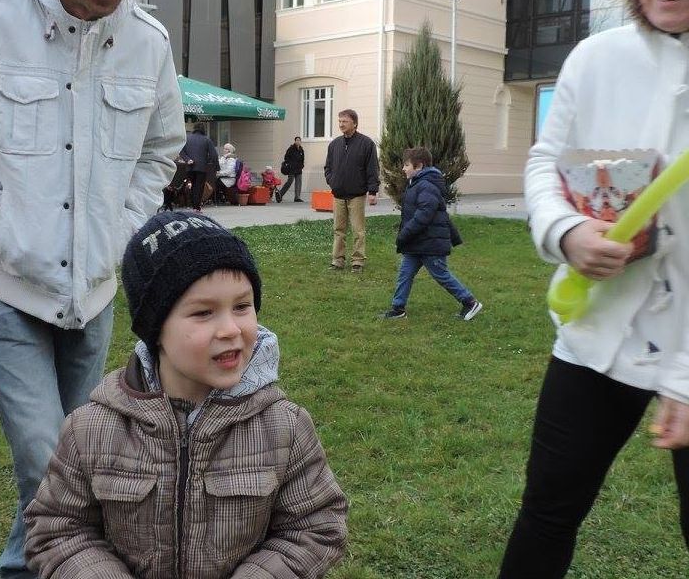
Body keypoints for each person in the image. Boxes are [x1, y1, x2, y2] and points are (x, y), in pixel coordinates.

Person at [0, 0, 185, 576]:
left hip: (94, 290)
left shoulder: (149, 40)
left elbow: (160, 148)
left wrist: (124, 227)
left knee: (68, 457)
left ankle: (20, 567)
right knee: (50, 462)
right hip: (5, 284)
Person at [24, 211, 349, 578]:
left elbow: (315, 526)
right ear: (156, 329)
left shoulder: (284, 427)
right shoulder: (91, 429)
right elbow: (58, 529)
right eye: (204, 312)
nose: (230, 329)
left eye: (242, 306)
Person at [498, 0, 689, 577]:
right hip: (597, 334)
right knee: (547, 514)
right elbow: (546, 160)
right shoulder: (597, 57)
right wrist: (566, 230)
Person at [381, 147, 482, 321]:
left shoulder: (426, 186)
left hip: (430, 243)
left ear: (419, 166)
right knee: (405, 274)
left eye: (406, 165)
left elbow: (424, 215)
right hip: (416, 243)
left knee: (441, 275)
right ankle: (398, 308)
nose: (403, 169)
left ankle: (470, 302)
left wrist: (404, 234)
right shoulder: (417, 184)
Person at [324, 109, 379, 272]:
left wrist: (373, 191)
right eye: (340, 121)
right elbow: (328, 167)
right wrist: (332, 181)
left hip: (357, 195)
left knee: (358, 230)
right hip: (338, 194)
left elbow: (372, 168)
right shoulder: (334, 144)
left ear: (354, 123)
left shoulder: (366, 144)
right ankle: (337, 260)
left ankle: (358, 261)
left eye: (345, 121)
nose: (341, 124)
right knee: (338, 230)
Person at [180, 123, 218, 211]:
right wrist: (216, 166)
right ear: (203, 129)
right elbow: (214, 155)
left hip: (190, 167)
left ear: (194, 128)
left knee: (191, 186)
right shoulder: (206, 139)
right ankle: (196, 207)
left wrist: (187, 159)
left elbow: (181, 151)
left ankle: (191, 204)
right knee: (199, 187)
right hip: (201, 167)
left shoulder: (187, 138)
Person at [278, 136, 305, 203]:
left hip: (299, 169)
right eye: (297, 140)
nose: (298, 141)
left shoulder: (301, 150)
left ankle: (297, 197)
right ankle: (280, 194)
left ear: (300, 141)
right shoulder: (291, 148)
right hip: (292, 169)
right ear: (295, 141)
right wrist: (290, 164)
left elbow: (302, 159)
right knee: (289, 181)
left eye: (299, 140)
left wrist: (302, 166)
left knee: (298, 183)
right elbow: (286, 157)